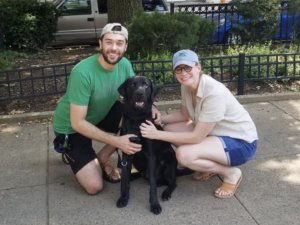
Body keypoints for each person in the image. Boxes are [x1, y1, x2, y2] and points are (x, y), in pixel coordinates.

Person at [52, 23, 159, 195]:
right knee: (94, 186)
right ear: (100, 43)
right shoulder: (82, 72)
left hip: (100, 114)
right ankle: (67, 151)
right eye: (109, 42)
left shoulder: (124, 64)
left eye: (119, 43)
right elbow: (78, 123)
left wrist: (152, 106)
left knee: (138, 119)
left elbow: (134, 94)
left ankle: (102, 157)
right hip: (71, 127)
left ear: (126, 46)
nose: (114, 48)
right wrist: (117, 141)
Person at [140, 49, 258, 199]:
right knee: (169, 128)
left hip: (241, 143)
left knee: (184, 156)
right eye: (178, 69)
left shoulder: (213, 92)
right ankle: (208, 165)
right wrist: (159, 119)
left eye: (188, 68)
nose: (183, 73)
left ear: (198, 67)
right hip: (216, 133)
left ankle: (231, 173)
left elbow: (196, 138)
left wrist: (156, 134)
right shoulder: (187, 86)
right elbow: (184, 115)